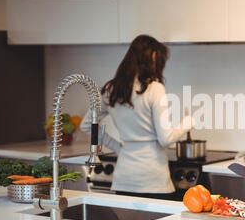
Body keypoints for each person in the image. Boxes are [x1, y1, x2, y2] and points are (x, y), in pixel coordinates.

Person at [81, 34, 192, 200]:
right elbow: (166, 138)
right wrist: (187, 123)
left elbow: (87, 125)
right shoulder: (155, 88)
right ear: (153, 58)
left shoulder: (111, 89)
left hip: (124, 177)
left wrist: (118, 147)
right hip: (153, 179)